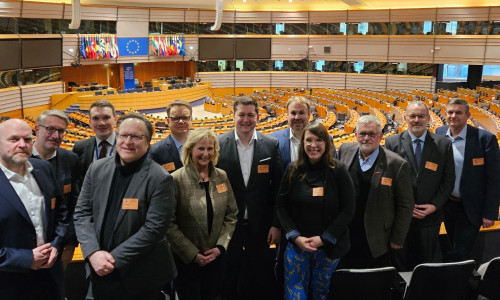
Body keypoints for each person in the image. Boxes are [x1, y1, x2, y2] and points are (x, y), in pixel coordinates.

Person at [74, 113, 177, 300]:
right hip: (98, 270)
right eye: (123, 135)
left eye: (136, 136)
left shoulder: (160, 178)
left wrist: (111, 260)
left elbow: (154, 229)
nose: (128, 141)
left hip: (139, 277)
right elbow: (82, 213)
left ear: (148, 142)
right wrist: (93, 253)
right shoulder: (96, 169)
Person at [277, 122, 355, 299]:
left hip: (329, 247)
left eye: (319, 140)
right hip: (297, 245)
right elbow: (281, 206)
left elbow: (348, 209)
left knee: (322, 293)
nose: (313, 145)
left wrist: (324, 239)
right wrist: (295, 236)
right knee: (295, 293)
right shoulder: (292, 169)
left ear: (326, 143)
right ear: (302, 143)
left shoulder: (339, 170)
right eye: (309, 140)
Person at [217, 96, 283, 300]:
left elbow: (278, 189)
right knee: (229, 273)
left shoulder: (271, 144)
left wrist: (276, 224)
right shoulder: (218, 144)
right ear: (233, 116)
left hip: (261, 224)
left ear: (258, 117)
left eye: (251, 115)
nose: (246, 119)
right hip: (228, 223)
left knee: (260, 274)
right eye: (241, 115)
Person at [0, 119, 68, 300]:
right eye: (14, 139)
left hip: (51, 278)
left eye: (27, 139)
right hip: (9, 284)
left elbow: (60, 211)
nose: (22, 145)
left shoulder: (43, 168)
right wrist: (26, 258)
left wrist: (56, 244)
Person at [167, 128, 238, 300]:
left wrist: (220, 247)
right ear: (190, 149)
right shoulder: (176, 179)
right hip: (186, 260)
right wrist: (192, 254)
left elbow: (231, 214)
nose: (206, 153)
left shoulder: (222, 176)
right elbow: (169, 223)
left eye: (210, 148)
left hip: (217, 258)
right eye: (201, 148)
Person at [385, 101, 455, 270]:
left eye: (421, 116)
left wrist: (434, 206)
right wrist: (404, 207)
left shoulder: (443, 144)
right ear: (405, 118)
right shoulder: (392, 143)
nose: (417, 120)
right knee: (400, 263)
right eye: (412, 116)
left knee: (425, 264)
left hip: (430, 218)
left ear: (428, 118)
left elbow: (448, 180)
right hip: (401, 217)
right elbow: (388, 181)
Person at [337, 115, 414, 269]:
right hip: (347, 231)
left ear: (380, 136)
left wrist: (398, 238)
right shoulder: (345, 150)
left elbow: (405, 205)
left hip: (377, 236)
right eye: (362, 134)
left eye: (371, 134)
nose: (366, 138)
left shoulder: (396, 164)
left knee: (372, 281)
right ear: (356, 135)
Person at [436, 98, 500, 261]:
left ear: (468, 115)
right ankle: (451, 278)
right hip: (447, 204)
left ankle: (460, 282)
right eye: (450, 112)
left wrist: (490, 212)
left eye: (458, 112)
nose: (453, 116)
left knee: (461, 251)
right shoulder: (440, 133)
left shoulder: (484, 139)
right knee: (449, 246)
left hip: (471, 206)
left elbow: (494, 178)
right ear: (445, 114)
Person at [32, 109, 80, 266]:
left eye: (61, 131)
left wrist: (70, 243)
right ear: (37, 129)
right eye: (50, 129)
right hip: (26, 246)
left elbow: (75, 204)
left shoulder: (71, 159)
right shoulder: (19, 158)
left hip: (59, 245)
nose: (55, 135)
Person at [270, 96, 336, 168]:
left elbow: (333, 169)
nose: (297, 117)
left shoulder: (326, 139)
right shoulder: (274, 140)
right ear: (287, 115)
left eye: (301, 113)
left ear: (309, 115)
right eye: (293, 113)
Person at [73, 100, 117, 181]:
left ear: (115, 120)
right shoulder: (80, 147)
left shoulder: (127, 145)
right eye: (95, 118)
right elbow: (77, 180)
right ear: (90, 123)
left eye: (106, 117)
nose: (101, 123)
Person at [150, 99, 192, 173]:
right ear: (168, 121)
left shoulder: (204, 146)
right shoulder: (155, 151)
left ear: (191, 119)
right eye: (175, 118)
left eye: (185, 118)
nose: (181, 122)